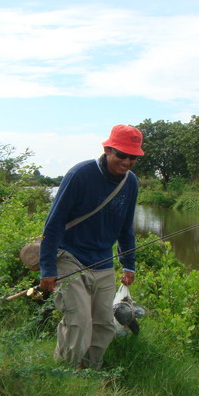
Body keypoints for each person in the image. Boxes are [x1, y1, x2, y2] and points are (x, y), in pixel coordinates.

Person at [39, 124, 144, 370]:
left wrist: (129, 264)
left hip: (103, 262)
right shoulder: (80, 175)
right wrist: (47, 268)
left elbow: (125, 227)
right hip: (69, 256)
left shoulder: (131, 183)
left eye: (133, 157)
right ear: (107, 149)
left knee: (104, 325)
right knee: (78, 322)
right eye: (121, 154)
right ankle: (64, 376)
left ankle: (89, 374)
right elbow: (53, 224)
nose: (127, 161)